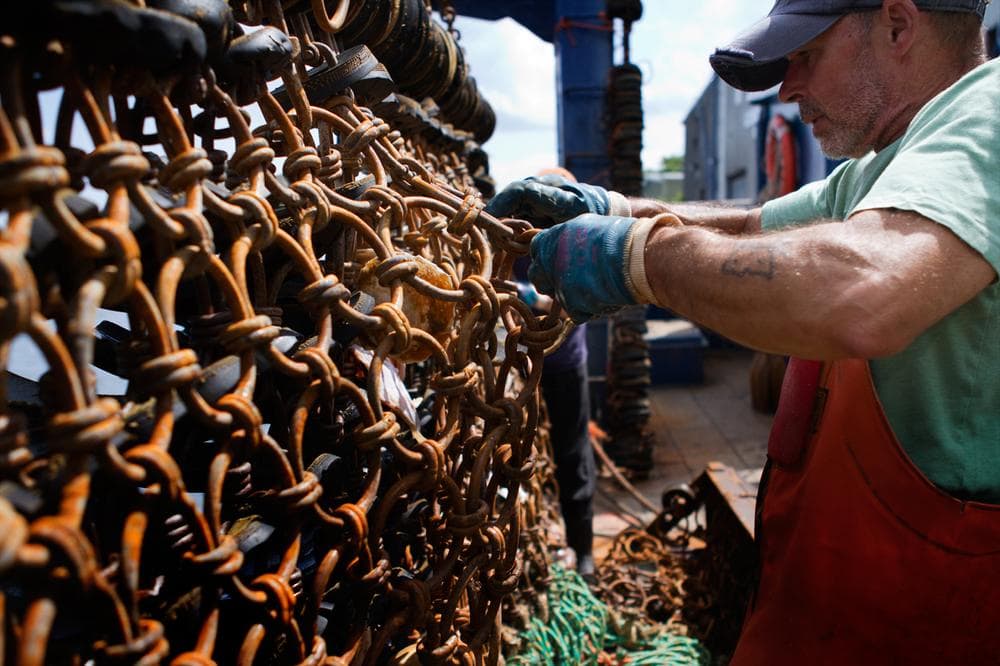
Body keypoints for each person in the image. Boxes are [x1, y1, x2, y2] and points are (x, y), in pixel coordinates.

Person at [490, 0, 1000, 662]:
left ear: (899, 24)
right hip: (837, 597)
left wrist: (635, 260)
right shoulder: (886, 167)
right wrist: (614, 209)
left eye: (805, 56)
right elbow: (754, 226)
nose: (789, 89)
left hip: (932, 617)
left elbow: (861, 291)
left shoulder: (987, 118)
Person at [487, 168, 629, 578]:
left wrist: (531, 297)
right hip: (515, 364)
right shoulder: (509, 237)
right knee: (514, 454)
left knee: (572, 451)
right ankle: (526, 546)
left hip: (563, 362)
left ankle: (582, 550)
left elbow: (567, 304)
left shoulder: (575, 237)